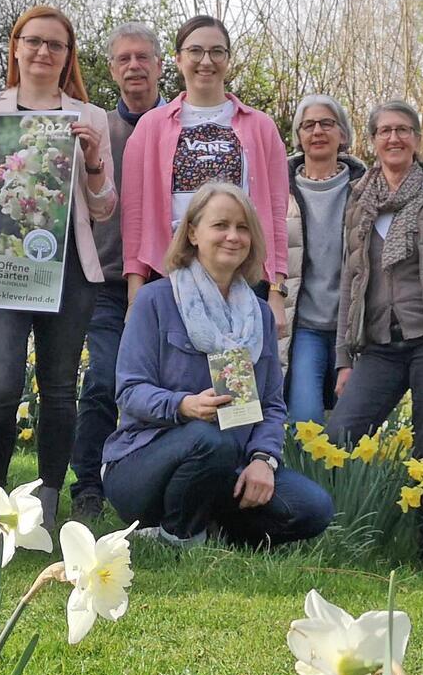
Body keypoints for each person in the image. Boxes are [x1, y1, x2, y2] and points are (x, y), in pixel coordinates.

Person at [0, 5, 115, 536]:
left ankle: (47, 498)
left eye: (55, 45)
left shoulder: (90, 117)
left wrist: (91, 162)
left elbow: (105, 207)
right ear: (15, 46)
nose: (43, 52)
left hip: (67, 271)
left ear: (68, 58)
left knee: (60, 387)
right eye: (33, 41)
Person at [103, 181, 333, 546]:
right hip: (143, 463)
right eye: (220, 225)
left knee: (313, 507)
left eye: (242, 228)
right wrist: (184, 406)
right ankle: (174, 536)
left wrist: (263, 460)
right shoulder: (155, 301)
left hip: (230, 463)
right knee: (209, 440)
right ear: (192, 233)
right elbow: (129, 392)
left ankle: (212, 525)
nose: (233, 236)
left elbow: (272, 405)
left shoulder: (257, 315)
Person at [328, 99, 423, 463]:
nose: (394, 138)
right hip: (378, 345)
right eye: (385, 131)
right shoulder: (358, 201)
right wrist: (343, 359)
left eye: (403, 130)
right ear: (372, 140)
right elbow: (351, 282)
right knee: (339, 437)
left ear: (416, 138)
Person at [120, 15, 289, 330]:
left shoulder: (261, 127)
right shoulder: (150, 127)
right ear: (178, 59)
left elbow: (276, 215)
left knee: (235, 377)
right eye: (195, 51)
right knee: (177, 375)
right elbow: (135, 219)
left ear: (227, 59)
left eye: (217, 52)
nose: (206, 61)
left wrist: (276, 293)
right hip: (172, 277)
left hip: (241, 278)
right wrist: (134, 297)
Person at [68, 21, 166, 521]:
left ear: (159, 65)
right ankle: (87, 485)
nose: (134, 66)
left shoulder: (180, 127)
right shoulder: (95, 128)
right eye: (124, 58)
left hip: (172, 282)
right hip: (107, 282)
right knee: (104, 381)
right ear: (111, 69)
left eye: (143, 57)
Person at [283, 93, 366, 424]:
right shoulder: (279, 190)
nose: (317, 131)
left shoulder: (367, 189)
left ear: (342, 134)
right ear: (299, 136)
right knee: (305, 420)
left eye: (327, 124)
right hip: (304, 325)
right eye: (308, 125)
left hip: (354, 329)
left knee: (353, 428)